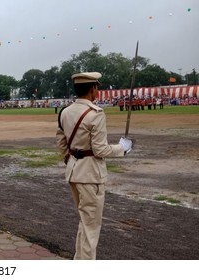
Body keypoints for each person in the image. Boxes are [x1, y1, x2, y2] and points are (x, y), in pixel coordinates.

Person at [56, 72, 133, 260]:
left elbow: (60, 140)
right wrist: (122, 148)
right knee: (91, 227)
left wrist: (69, 156)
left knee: (85, 222)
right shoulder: (95, 114)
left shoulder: (65, 111)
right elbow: (100, 150)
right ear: (93, 89)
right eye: (97, 87)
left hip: (74, 171)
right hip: (90, 175)